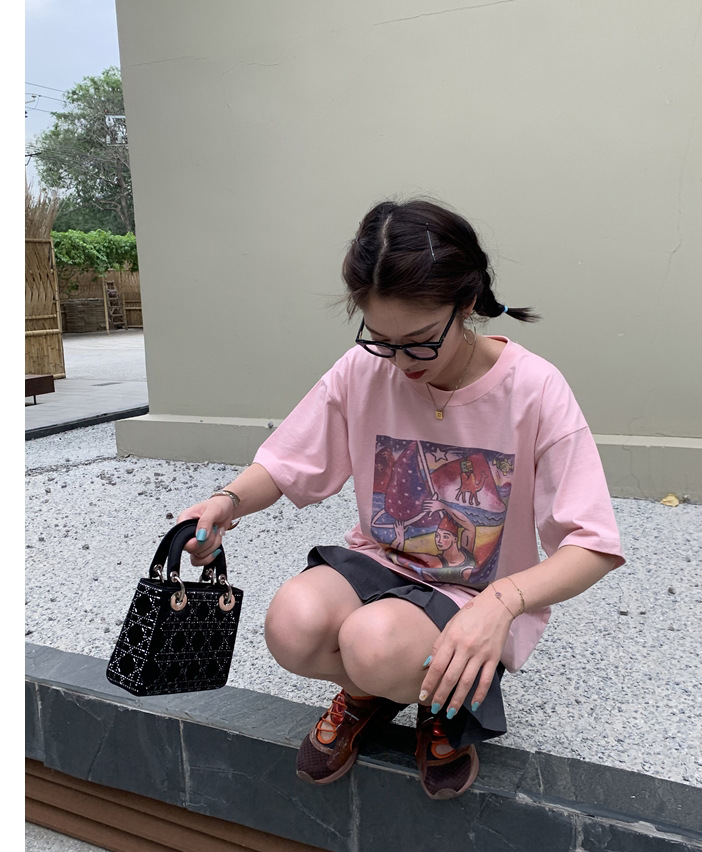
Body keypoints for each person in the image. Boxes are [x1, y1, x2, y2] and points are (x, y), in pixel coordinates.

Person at [177, 198, 624, 801]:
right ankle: (380, 689)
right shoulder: (365, 370)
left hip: (472, 593)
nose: (401, 362)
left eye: (419, 342)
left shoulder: (534, 389)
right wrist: (226, 501)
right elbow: (286, 462)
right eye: (382, 340)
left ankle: (441, 699)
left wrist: (502, 604)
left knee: (374, 643)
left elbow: (593, 543)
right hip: (381, 561)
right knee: (291, 625)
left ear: (468, 303)